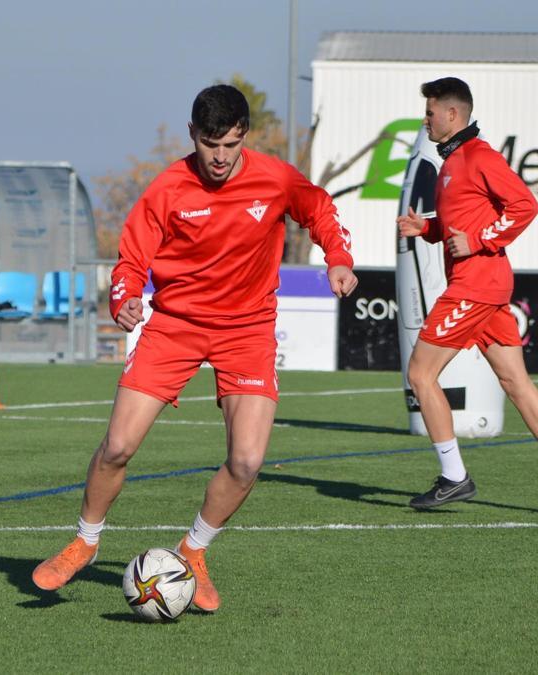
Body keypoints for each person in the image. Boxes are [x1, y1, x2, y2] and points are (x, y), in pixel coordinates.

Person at [33, 84, 358, 610]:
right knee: (117, 447)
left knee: (248, 461)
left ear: (244, 136)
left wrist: (339, 257)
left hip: (247, 330)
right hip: (174, 327)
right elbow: (130, 260)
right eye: (211, 144)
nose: (221, 157)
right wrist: (124, 300)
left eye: (231, 144)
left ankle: (194, 552)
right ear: (193, 135)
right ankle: (84, 542)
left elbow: (319, 208)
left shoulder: (274, 178)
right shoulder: (167, 189)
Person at [395, 77, 538, 516]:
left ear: (452, 115)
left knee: (420, 374)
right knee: (515, 382)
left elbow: (525, 206)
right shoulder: (451, 161)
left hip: (475, 286)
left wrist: (480, 240)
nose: (425, 120)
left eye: (430, 113)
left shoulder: (479, 156)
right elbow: (460, 224)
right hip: (485, 286)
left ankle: (453, 477)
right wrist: (425, 229)